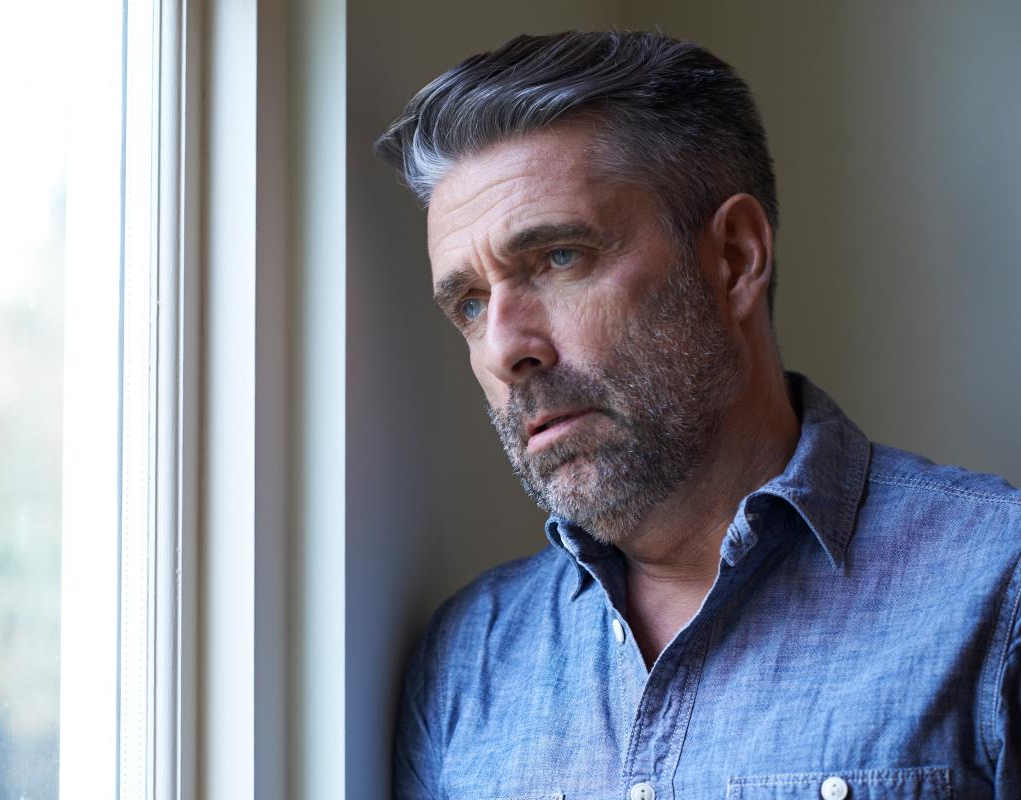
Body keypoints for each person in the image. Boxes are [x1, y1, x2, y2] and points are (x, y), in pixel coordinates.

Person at [374, 30, 1020, 800]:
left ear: (735, 258)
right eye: (471, 305)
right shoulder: (466, 664)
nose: (505, 349)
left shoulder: (999, 588)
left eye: (559, 258)